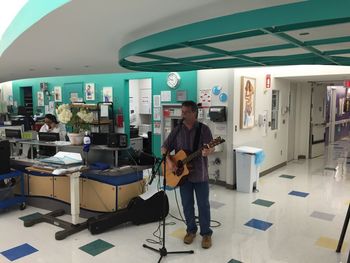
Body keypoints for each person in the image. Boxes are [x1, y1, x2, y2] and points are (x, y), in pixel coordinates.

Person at [162, 100, 215, 249]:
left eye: (186, 112)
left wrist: (208, 151)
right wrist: (170, 162)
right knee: (187, 205)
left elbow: (212, 148)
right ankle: (191, 230)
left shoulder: (204, 130)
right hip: (182, 177)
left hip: (200, 175)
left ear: (194, 113)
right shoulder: (177, 130)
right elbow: (164, 147)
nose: (183, 115)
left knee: (203, 205)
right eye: (182, 112)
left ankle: (206, 234)